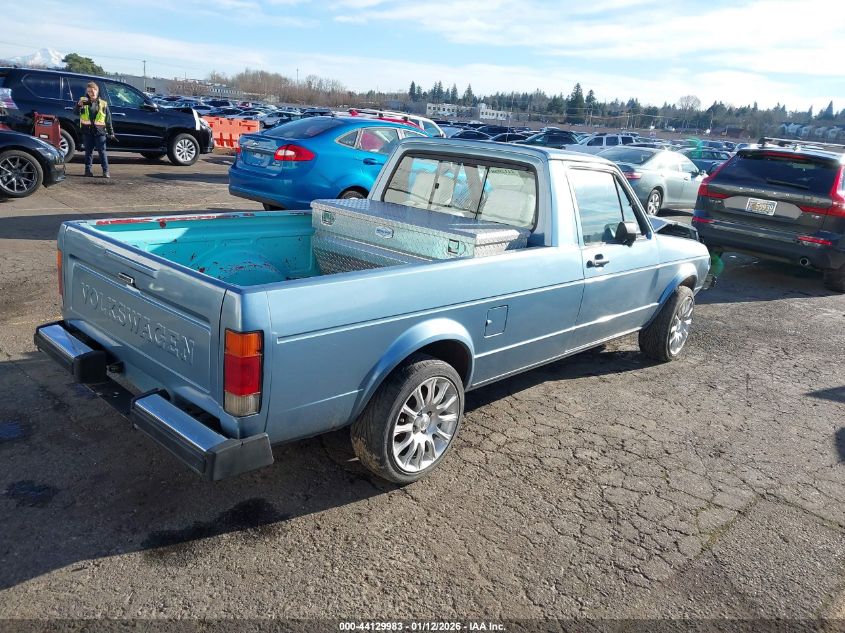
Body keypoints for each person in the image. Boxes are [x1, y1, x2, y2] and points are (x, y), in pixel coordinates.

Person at [74, 82, 116, 178]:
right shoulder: (83, 101)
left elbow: (108, 119)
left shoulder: (103, 103)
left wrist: (111, 133)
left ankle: (106, 171)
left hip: (100, 131)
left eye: (92, 91)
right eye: (88, 91)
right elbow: (76, 113)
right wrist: (78, 106)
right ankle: (87, 171)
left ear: (97, 91)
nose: (90, 93)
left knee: (102, 151)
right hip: (87, 131)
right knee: (88, 152)